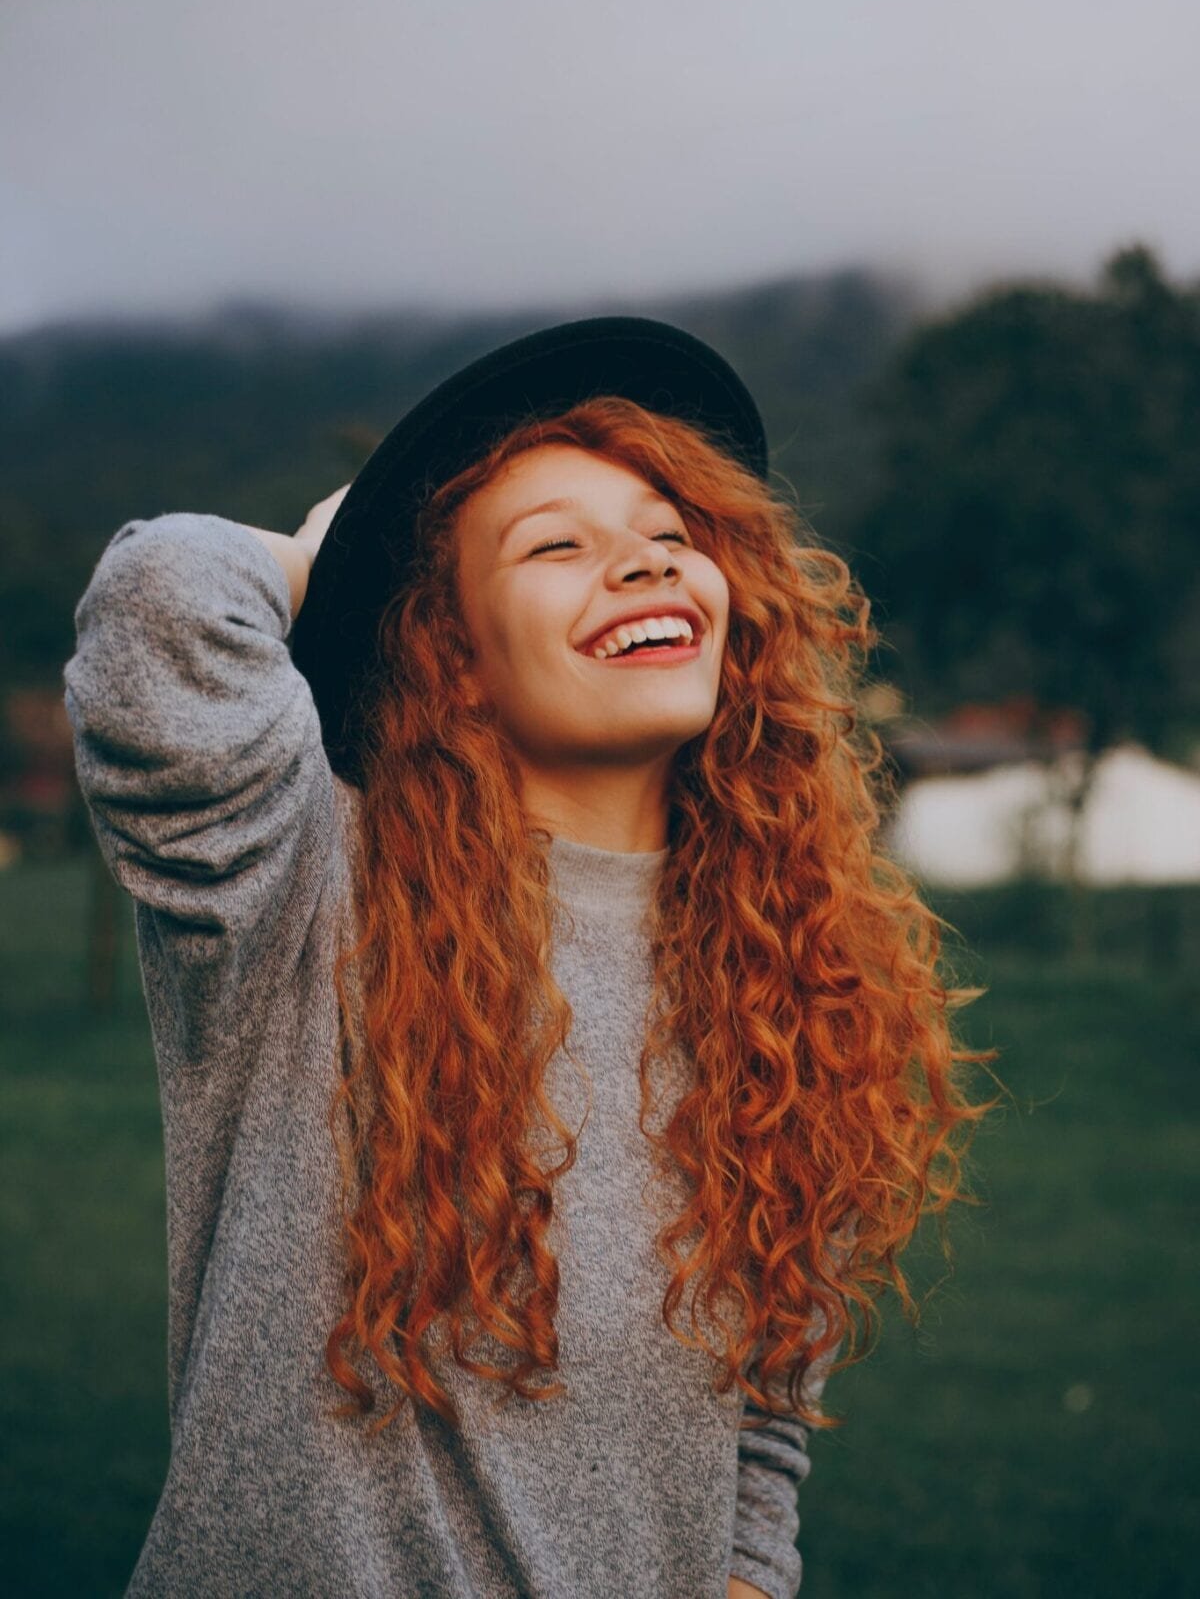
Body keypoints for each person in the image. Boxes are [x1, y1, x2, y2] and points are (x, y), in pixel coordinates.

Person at [64, 317, 995, 1598]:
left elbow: (766, 1415)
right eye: (556, 546)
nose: (642, 564)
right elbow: (155, 607)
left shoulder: (789, 990)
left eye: (674, 538)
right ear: (452, 656)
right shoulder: (306, 890)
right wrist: (327, 556)